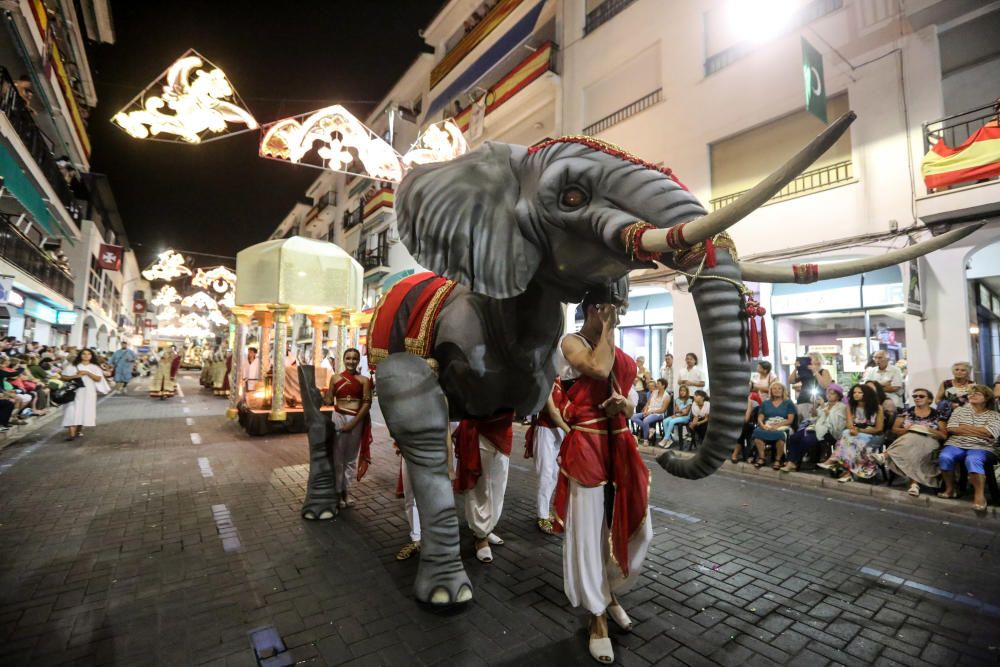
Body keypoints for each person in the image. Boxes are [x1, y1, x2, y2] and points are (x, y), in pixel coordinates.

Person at [553, 285, 651, 664]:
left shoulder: (621, 352)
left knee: (639, 529)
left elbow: (631, 396)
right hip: (588, 449)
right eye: (611, 308)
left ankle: (609, 591)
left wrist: (625, 404)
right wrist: (608, 328)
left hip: (621, 446)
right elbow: (598, 367)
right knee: (589, 533)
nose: (617, 313)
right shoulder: (571, 342)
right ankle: (596, 617)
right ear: (594, 309)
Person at [453, 409, 514, 563]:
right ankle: (480, 536)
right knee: (480, 488)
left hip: (504, 429)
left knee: (498, 487)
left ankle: (487, 528)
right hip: (480, 429)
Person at [937, 385, 1000, 512]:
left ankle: (979, 496)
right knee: (945, 456)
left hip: (983, 446)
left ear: (986, 398)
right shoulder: (959, 411)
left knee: (973, 459)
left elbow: (989, 433)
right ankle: (950, 489)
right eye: (971, 393)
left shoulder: (995, 415)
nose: (972, 395)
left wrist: (963, 428)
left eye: (977, 394)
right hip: (956, 443)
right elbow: (952, 428)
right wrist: (978, 431)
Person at [327, 348, 373, 509]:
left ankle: (346, 491)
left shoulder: (364, 381)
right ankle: (338, 493)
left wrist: (352, 424)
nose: (351, 361)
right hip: (338, 417)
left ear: (358, 360)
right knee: (338, 459)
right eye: (348, 358)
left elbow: (367, 404)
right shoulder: (335, 378)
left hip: (356, 420)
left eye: (354, 358)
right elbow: (328, 399)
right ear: (343, 359)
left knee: (350, 460)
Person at [882, 389, 947, 496]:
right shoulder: (906, 412)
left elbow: (944, 435)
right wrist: (909, 430)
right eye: (915, 396)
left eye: (921, 396)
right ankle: (914, 484)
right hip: (907, 440)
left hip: (929, 441)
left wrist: (929, 430)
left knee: (916, 440)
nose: (917, 398)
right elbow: (894, 429)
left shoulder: (938, 414)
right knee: (913, 439)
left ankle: (885, 455)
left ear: (929, 400)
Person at [819, 384, 885, 482]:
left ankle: (836, 460)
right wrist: (856, 430)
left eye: (859, 392)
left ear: (866, 394)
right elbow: (850, 425)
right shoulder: (850, 406)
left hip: (873, 435)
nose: (856, 394)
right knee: (847, 434)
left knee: (851, 439)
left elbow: (878, 428)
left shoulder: (877, 408)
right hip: (856, 433)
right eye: (854, 392)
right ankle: (848, 473)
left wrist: (859, 430)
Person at [524, 381, 566, 534]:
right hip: (546, 431)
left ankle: (546, 510)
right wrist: (571, 432)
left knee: (554, 475)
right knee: (545, 474)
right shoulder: (547, 382)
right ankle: (542, 515)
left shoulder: (564, 382)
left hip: (559, 432)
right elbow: (553, 413)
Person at [782, 384, 847, 472]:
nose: (829, 395)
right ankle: (791, 462)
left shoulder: (841, 407)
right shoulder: (825, 404)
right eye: (828, 393)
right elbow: (815, 420)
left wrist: (824, 409)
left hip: (830, 432)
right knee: (795, 437)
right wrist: (814, 413)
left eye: (832, 394)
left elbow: (836, 423)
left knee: (807, 439)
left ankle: (794, 462)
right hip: (817, 429)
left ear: (838, 396)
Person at [60, 348, 110, 440]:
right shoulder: (73, 366)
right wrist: (75, 376)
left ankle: (78, 431)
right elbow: (63, 377)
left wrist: (87, 373)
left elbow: (98, 379)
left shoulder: (95, 367)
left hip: (88, 392)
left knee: (83, 411)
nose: (86, 356)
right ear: (80, 355)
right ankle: (71, 434)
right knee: (71, 411)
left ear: (91, 356)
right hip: (74, 392)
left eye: (88, 354)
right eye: (84, 354)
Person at [750, 381, 797, 469]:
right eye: (774, 388)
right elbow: (760, 418)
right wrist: (763, 426)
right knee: (757, 432)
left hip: (782, 425)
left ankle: (778, 460)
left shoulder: (788, 403)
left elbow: (790, 420)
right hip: (768, 425)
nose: (776, 390)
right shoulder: (765, 403)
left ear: (783, 391)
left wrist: (777, 426)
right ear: (770, 391)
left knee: (780, 435)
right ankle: (762, 458)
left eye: (779, 388)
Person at [629, 378, 670, 445]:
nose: (656, 385)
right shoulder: (654, 392)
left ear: (663, 386)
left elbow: (663, 410)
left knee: (645, 420)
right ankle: (650, 429)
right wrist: (645, 410)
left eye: (658, 384)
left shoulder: (667, 396)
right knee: (633, 417)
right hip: (649, 411)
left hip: (658, 414)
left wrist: (650, 412)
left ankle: (646, 440)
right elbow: (648, 403)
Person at [863, 350, 904, 415]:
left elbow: (894, 388)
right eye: (875, 357)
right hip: (875, 402)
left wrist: (875, 386)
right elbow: (867, 387)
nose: (877, 360)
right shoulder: (872, 371)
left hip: (893, 402)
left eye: (880, 358)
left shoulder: (895, 370)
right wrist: (883, 385)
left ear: (887, 359)